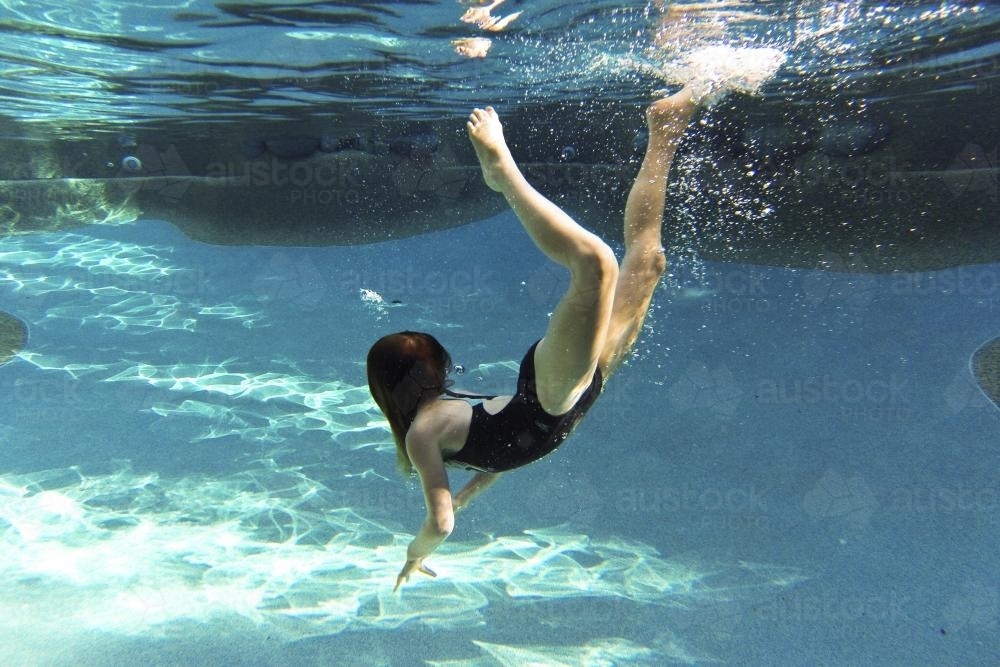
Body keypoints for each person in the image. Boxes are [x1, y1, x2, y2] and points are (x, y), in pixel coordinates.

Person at [368, 87, 698, 590]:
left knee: (595, 267)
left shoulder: (434, 422)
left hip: (554, 397)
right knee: (646, 264)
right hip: (572, 396)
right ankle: (665, 131)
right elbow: (481, 472)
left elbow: (465, 491)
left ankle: (506, 178)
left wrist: (419, 549)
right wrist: (445, 519)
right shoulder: (426, 432)